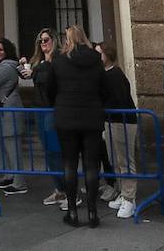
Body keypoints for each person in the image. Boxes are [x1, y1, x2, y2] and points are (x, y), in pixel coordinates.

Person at [47, 25, 105, 229]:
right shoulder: (96, 59)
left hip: (66, 117)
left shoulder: (59, 61)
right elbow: (103, 86)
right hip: (92, 116)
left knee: (69, 164)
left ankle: (72, 211)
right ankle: (92, 212)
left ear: (68, 40)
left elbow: (51, 88)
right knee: (91, 165)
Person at [21, 27, 67, 207]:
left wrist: (35, 73)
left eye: (46, 40)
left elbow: (51, 81)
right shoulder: (39, 62)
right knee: (48, 151)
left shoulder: (58, 60)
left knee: (56, 151)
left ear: (54, 40)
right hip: (40, 108)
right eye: (40, 41)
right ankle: (59, 189)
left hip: (52, 109)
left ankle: (66, 190)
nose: (43, 43)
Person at [99, 42, 138, 219]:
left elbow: (119, 99)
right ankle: (123, 193)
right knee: (115, 159)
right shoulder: (106, 74)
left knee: (125, 160)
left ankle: (129, 197)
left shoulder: (114, 74)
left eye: (99, 53)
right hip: (111, 120)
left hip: (122, 121)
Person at [0, 37, 26, 195]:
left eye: (1, 49)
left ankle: (19, 182)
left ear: (7, 51)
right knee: (2, 143)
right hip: (5, 110)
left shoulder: (6, 67)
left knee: (12, 146)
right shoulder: (5, 66)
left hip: (9, 111)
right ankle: (10, 175)